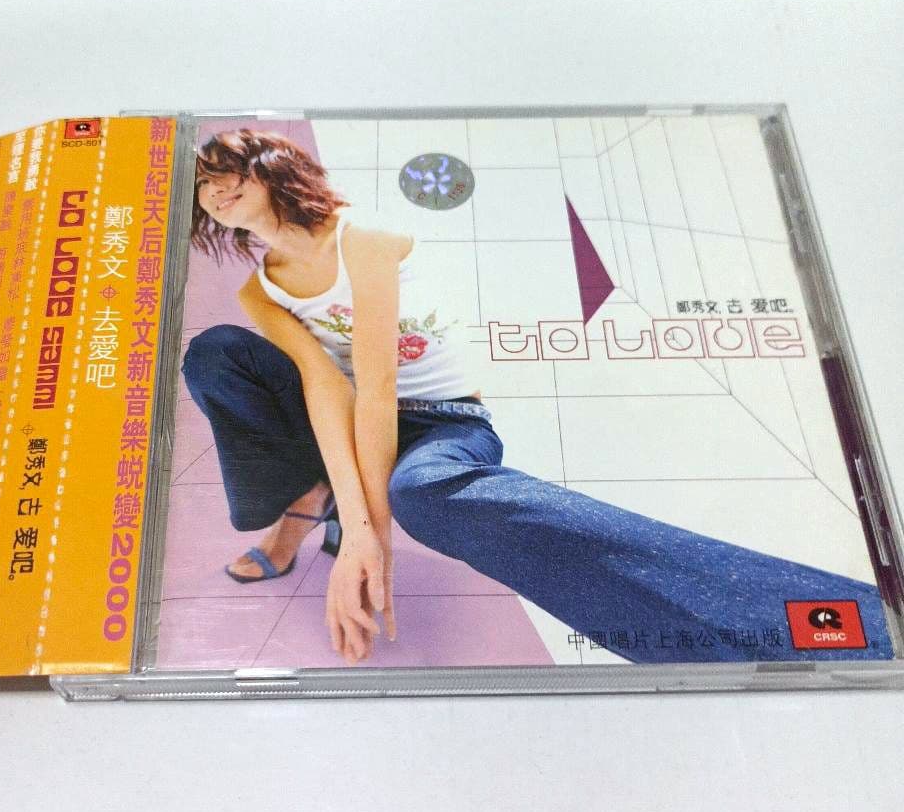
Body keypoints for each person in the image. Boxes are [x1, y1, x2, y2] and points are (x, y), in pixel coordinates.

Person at [181, 128, 892, 666]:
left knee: (424, 492)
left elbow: (379, 386)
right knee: (216, 353)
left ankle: (830, 623)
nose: (215, 191)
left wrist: (374, 537)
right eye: (203, 184)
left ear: (269, 168)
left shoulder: (359, 237)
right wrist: (362, 526)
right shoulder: (259, 289)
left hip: (440, 422)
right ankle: (310, 499)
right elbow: (325, 385)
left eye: (226, 172)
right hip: (346, 415)